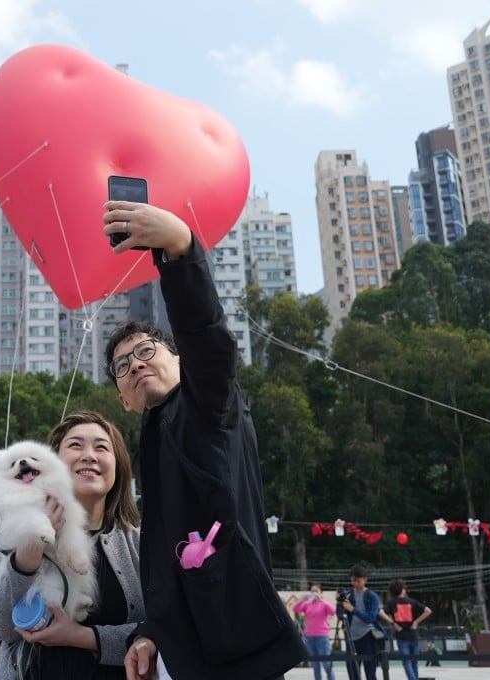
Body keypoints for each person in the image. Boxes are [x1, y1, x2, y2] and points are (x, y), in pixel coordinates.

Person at [102, 201, 306, 680]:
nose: (136, 365)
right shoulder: (154, 442)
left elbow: (209, 343)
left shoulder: (209, 408)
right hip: (195, 655)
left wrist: (179, 249)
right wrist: (152, 630)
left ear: (178, 360)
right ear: (124, 401)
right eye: (123, 367)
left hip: (240, 647)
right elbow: (167, 561)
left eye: (147, 351)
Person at [0, 410, 144, 680]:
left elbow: (160, 632)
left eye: (102, 447)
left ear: (119, 466)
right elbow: (4, 627)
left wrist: (83, 637)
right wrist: (29, 550)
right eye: (75, 445)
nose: (89, 455)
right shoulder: (13, 528)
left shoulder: (140, 542)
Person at [380, 579, 432, 680]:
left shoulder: (392, 602)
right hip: (413, 635)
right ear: (402, 590)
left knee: (406, 662)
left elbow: (381, 612)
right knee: (414, 662)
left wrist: (393, 623)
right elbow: (428, 611)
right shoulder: (412, 602)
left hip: (401, 636)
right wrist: (416, 622)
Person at [340, 565, 385, 680]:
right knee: (352, 672)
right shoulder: (348, 595)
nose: (355, 583)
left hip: (368, 637)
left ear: (365, 580)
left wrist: (353, 610)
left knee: (370, 672)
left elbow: (370, 617)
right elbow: (341, 615)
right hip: (351, 639)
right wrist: (340, 607)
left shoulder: (372, 596)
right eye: (352, 580)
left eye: (358, 581)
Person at [292, 585, 337, 680]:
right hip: (310, 637)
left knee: (327, 664)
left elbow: (333, 611)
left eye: (316, 591)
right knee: (315, 665)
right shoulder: (307, 604)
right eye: (312, 591)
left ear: (321, 593)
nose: (314, 593)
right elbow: (295, 609)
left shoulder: (324, 604)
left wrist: (321, 600)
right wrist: (302, 599)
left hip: (322, 637)